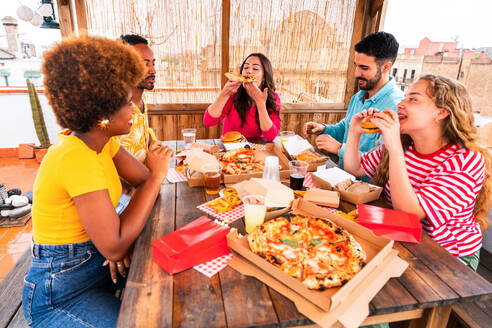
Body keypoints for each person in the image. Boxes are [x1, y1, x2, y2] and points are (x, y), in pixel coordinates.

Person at [22, 36, 173, 327]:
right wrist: (156, 175)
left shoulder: (104, 143)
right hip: (60, 296)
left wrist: (119, 236)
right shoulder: (74, 156)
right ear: (102, 113)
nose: (134, 111)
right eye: (128, 104)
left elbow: (141, 181)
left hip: (97, 272)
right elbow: (115, 246)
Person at [344, 74, 491, 269]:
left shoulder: (465, 161)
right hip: (401, 237)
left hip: (447, 256)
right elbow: (354, 168)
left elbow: (409, 212)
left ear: (442, 113)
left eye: (413, 99)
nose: (401, 104)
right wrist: (355, 132)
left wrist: (394, 145)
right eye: (404, 97)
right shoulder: (406, 146)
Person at [303, 32, 403, 169]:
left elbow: (382, 162)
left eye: (364, 68)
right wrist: (323, 129)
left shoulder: (396, 107)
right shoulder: (358, 97)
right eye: (356, 65)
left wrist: (339, 148)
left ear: (386, 67)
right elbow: (346, 127)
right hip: (342, 176)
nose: (356, 73)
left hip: (367, 187)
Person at [203, 53, 281, 142]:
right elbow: (208, 121)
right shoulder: (233, 93)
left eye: (255, 68)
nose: (249, 71)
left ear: (264, 77)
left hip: (257, 149)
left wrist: (260, 104)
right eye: (245, 67)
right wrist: (224, 94)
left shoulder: (273, 97)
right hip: (230, 147)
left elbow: (270, 137)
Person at [115, 34, 157, 163]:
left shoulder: (141, 100)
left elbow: (141, 137)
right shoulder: (115, 108)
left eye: (153, 63)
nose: (153, 70)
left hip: (146, 177)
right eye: (145, 65)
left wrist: (153, 145)